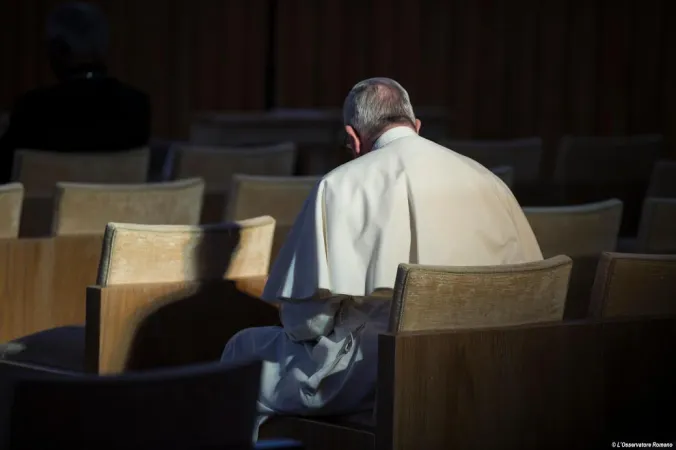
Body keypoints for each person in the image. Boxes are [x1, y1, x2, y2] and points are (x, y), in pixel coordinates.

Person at [221, 78, 543, 431]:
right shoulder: (489, 181)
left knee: (243, 351)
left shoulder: (341, 184)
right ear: (416, 127)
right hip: (491, 365)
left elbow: (305, 324)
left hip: (383, 370)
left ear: (353, 138)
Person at [0, 2, 151, 182]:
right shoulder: (138, 105)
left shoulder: (33, 107)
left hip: (40, 211)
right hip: (117, 209)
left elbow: (4, 173)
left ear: (60, 49)